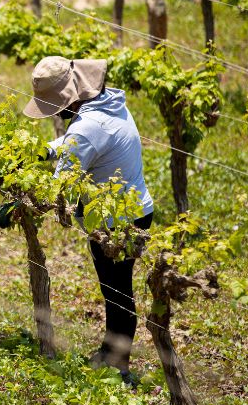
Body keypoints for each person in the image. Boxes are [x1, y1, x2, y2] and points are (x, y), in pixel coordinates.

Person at [22, 56, 153, 382]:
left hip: (117, 222)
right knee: (115, 291)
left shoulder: (86, 127)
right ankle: (110, 353)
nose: (55, 112)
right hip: (135, 210)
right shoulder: (108, 103)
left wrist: (19, 199)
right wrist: (46, 150)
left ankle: (120, 367)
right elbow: (79, 142)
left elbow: (58, 185)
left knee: (118, 293)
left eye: (55, 104)